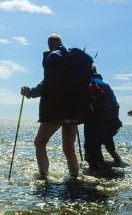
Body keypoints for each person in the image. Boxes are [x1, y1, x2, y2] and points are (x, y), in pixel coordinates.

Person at [21, 34, 91, 179]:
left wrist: (30, 92)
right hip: (74, 110)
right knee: (69, 148)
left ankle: (44, 177)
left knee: (39, 143)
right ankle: (74, 178)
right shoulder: (72, 58)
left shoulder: (53, 57)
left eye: (49, 42)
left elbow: (48, 83)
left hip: (56, 109)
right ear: (61, 42)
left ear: (50, 44)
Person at [84, 66, 123, 171]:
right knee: (109, 146)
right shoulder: (105, 84)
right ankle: (119, 163)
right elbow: (115, 103)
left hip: (95, 120)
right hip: (110, 120)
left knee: (91, 146)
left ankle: (96, 169)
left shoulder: (88, 82)